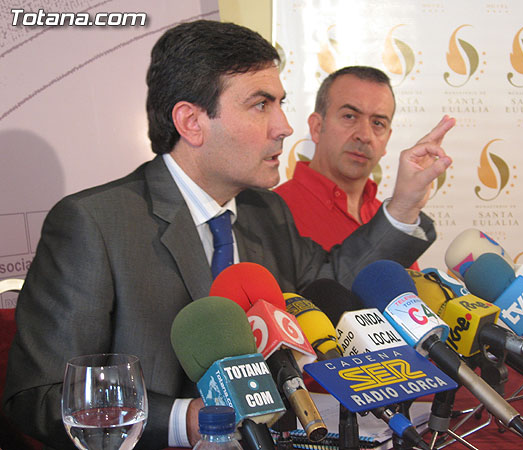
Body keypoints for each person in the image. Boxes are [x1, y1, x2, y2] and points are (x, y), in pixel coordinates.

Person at [1, 20, 451, 450]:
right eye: (261, 105)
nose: (284, 127)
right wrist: (188, 420)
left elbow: (334, 284)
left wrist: (404, 204)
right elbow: (39, 398)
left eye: (279, 103)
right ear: (192, 122)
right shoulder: (92, 223)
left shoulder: (266, 211)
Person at [275, 66, 455, 264]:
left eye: (378, 123)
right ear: (317, 127)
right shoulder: (273, 214)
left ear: (387, 139)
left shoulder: (393, 218)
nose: (365, 135)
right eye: (349, 117)